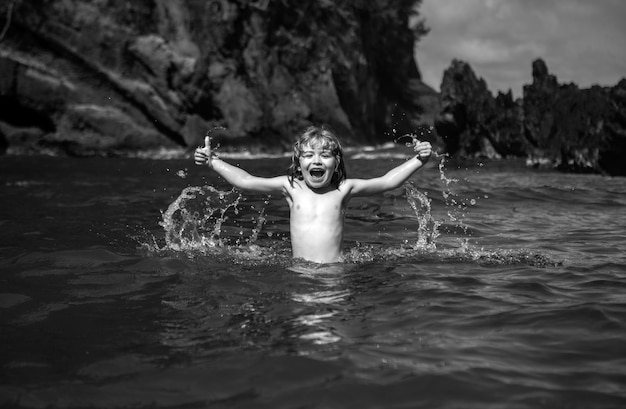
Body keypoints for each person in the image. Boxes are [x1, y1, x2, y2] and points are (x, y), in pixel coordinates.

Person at [194, 125, 432, 264]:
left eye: (325, 155)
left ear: (336, 163)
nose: (316, 160)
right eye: (308, 155)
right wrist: (213, 162)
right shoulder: (291, 187)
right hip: (299, 271)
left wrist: (418, 160)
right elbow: (246, 181)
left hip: (335, 272)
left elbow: (386, 182)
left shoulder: (343, 189)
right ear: (299, 162)